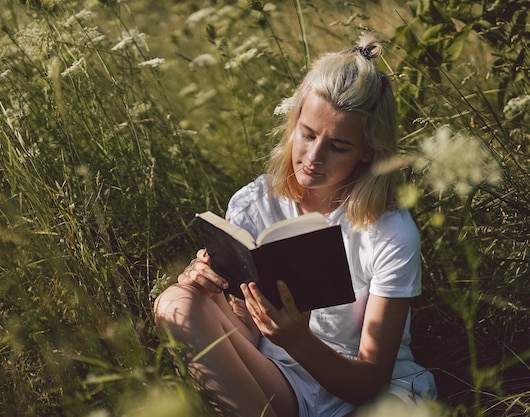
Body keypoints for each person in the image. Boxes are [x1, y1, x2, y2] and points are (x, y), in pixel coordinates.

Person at [153, 33, 437, 417]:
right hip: (280, 379)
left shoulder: (390, 232)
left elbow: (370, 383)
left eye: (338, 147)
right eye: (307, 134)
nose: (313, 157)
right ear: (294, 123)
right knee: (175, 303)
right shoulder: (254, 204)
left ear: (367, 153)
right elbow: (249, 333)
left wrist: (299, 341)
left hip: (367, 394)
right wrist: (209, 291)